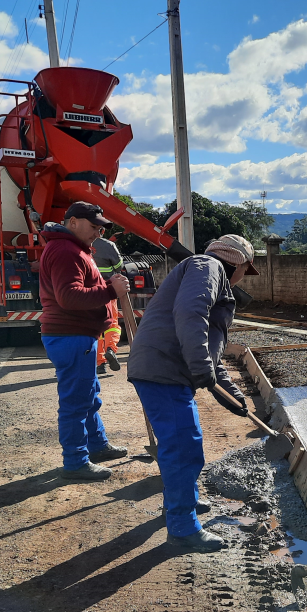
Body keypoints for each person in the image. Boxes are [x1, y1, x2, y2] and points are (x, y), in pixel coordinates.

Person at [127, 234, 259, 553]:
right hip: (165, 370)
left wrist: (235, 399)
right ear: (237, 264)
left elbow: (211, 355)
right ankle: (183, 527)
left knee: (185, 442)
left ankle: (184, 501)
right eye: (245, 270)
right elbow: (191, 313)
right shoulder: (207, 266)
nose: (244, 277)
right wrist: (200, 366)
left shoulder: (207, 272)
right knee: (184, 447)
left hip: (167, 368)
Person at [40, 202, 131, 480]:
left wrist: (106, 287)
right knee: (77, 401)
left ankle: (97, 445)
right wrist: (110, 291)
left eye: (100, 228)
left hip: (77, 336)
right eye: (94, 226)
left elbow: (78, 290)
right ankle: (76, 461)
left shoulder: (72, 248)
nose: (98, 232)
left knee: (88, 396)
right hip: (72, 336)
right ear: (73, 222)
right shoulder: (66, 251)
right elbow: (69, 297)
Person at [92, 228, 124, 375]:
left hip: (90, 292)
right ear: (103, 230)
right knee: (112, 324)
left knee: (96, 328)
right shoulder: (108, 245)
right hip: (109, 290)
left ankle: (100, 364)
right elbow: (119, 266)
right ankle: (111, 349)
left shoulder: (80, 244)